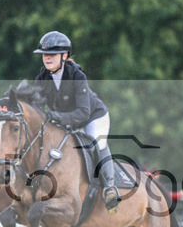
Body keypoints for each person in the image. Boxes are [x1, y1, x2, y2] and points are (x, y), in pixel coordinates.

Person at [32, 30, 120, 212]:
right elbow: (37, 106)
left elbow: (83, 113)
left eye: (52, 55)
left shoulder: (77, 76)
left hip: (93, 116)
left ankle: (110, 189)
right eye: (44, 55)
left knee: (96, 143)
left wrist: (57, 117)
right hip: (66, 120)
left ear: (64, 56)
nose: (46, 58)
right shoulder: (42, 77)